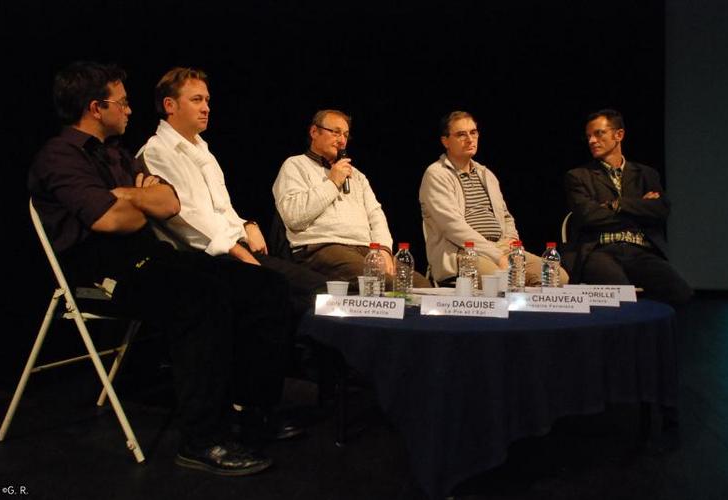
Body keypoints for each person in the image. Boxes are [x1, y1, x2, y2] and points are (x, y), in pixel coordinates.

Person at [27, 61, 295, 476]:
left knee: (264, 286)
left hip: (148, 259)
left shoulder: (115, 153)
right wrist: (136, 198)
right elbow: (110, 221)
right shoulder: (59, 157)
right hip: (100, 276)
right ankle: (202, 438)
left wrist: (126, 196)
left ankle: (254, 412)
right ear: (96, 108)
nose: (130, 110)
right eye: (122, 103)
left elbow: (169, 203)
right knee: (202, 297)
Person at [138, 67, 326, 317]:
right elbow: (184, 218)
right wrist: (235, 249)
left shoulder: (202, 151)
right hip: (199, 257)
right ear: (170, 105)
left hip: (231, 247)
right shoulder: (156, 152)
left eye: (207, 100)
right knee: (283, 293)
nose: (206, 108)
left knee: (318, 288)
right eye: (196, 100)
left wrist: (245, 224)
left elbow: (221, 209)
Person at [272, 109, 429, 290]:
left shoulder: (357, 175)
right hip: (323, 248)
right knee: (388, 284)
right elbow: (295, 217)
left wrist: (384, 250)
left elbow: (376, 215)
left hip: (366, 250)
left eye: (346, 135)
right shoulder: (295, 165)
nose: (342, 140)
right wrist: (332, 183)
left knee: (421, 286)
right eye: (336, 132)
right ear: (314, 132)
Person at [419, 111, 569, 286]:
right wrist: (496, 255)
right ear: (445, 141)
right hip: (463, 253)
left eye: (473, 132)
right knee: (501, 279)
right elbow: (452, 227)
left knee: (557, 277)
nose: (470, 139)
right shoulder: (436, 174)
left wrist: (511, 243)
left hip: (500, 248)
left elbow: (505, 216)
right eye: (461, 134)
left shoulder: (486, 174)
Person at [563, 109, 692, 305]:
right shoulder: (578, 176)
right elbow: (588, 216)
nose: (592, 141)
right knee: (621, 297)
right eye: (589, 136)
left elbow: (661, 211)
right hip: (599, 249)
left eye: (599, 133)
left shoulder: (646, 174)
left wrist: (616, 205)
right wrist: (640, 208)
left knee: (681, 292)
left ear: (619, 135)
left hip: (639, 250)